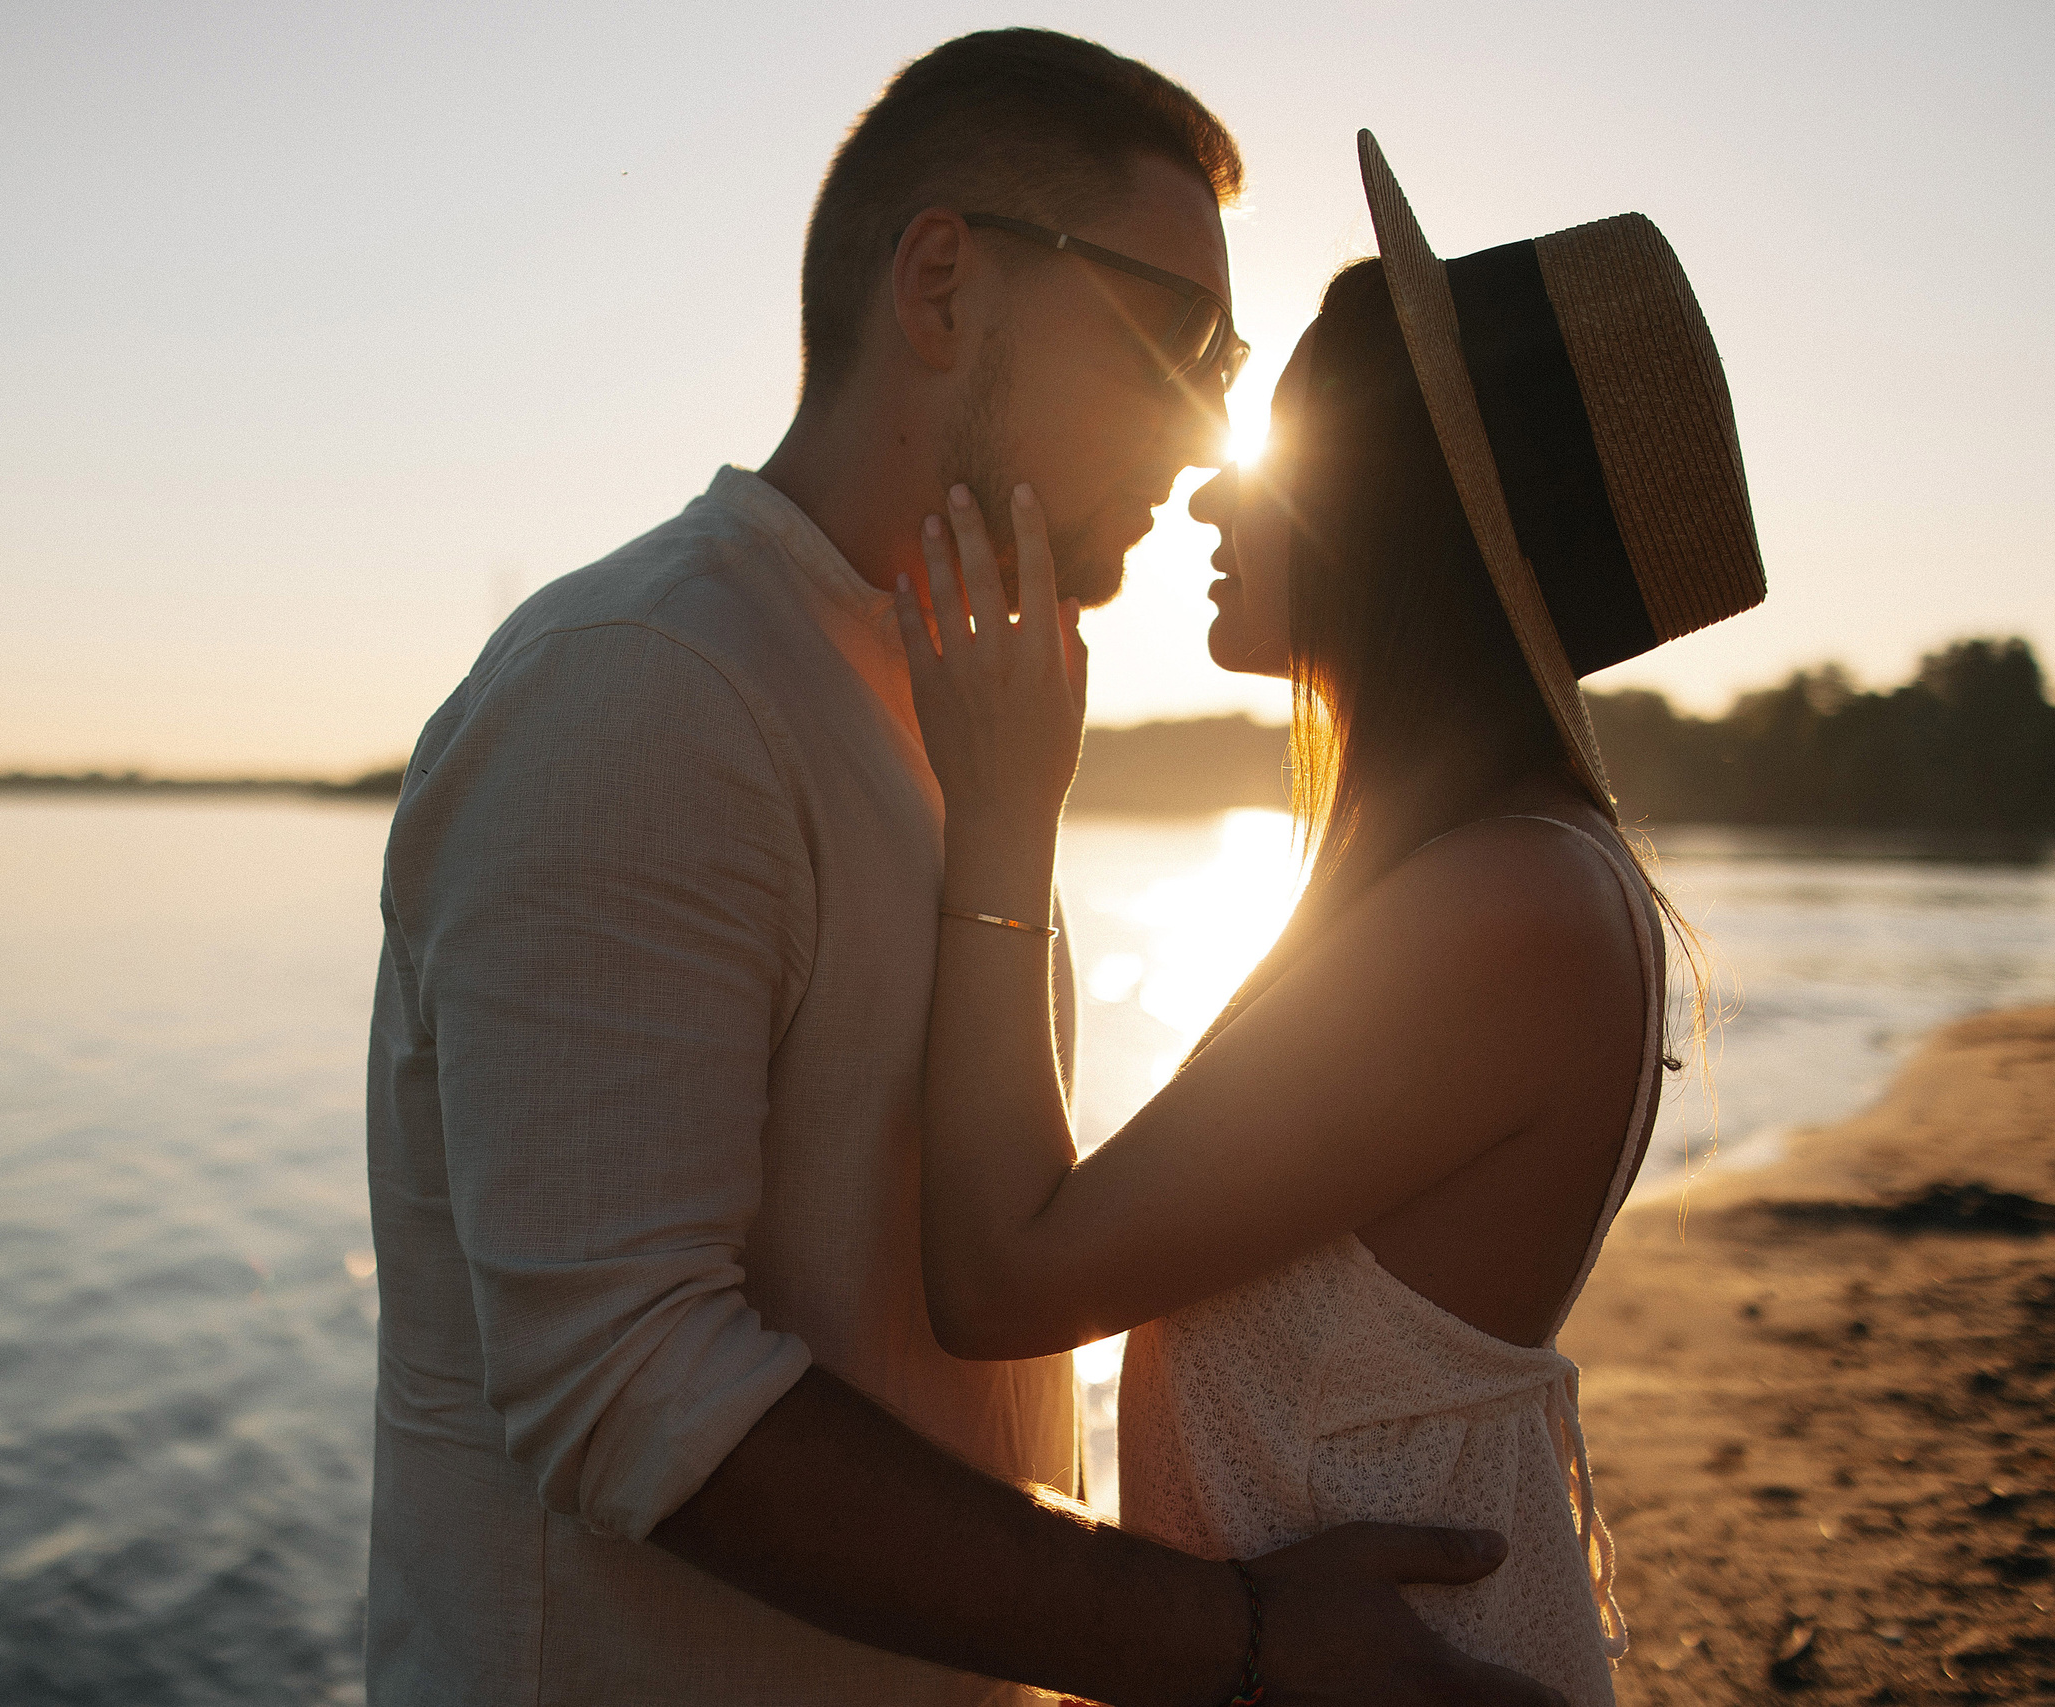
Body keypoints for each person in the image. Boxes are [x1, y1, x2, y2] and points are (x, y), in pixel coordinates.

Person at [364, 31, 1571, 1707]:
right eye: (1183, 339)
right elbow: (623, 1386)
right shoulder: (640, 689)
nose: (1216, 428)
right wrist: (1230, 1640)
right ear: (941, 286)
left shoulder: (957, 704)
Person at [892, 133, 1766, 1705]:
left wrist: (1006, 815)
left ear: (1392, 509)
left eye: (1289, 440)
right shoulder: (1485, 880)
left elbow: (1002, 1279)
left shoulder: (1509, 908)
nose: (1221, 484)